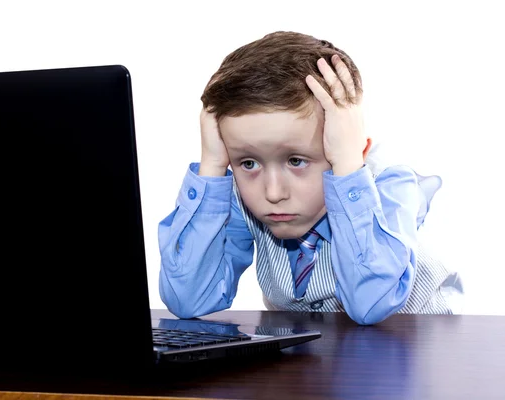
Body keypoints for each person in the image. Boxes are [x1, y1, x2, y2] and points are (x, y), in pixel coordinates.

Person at [158, 31, 463, 325]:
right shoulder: (243, 200)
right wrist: (212, 165)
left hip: (419, 356)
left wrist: (347, 164)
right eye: (248, 162)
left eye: (296, 160)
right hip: (321, 365)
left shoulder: (391, 186)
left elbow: (369, 304)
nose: (273, 193)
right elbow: (189, 299)